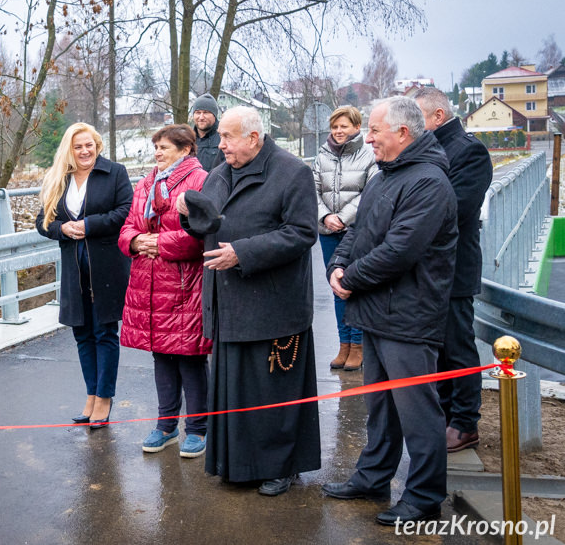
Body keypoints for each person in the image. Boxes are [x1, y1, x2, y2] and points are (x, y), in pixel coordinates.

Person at [322, 96, 458, 525]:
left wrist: (352, 278)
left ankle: (423, 497)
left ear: (403, 132)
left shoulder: (429, 182)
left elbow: (401, 250)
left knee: (418, 412)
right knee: (380, 405)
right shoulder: (385, 176)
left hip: (410, 316)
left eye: (376, 130)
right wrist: (337, 265)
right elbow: (359, 229)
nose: (369, 137)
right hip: (377, 312)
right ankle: (374, 477)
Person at [177, 105, 321, 496]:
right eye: (220, 136)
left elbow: (303, 233)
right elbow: (205, 224)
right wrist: (186, 215)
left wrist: (243, 252)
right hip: (228, 303)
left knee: (273, 393)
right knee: (236, 390)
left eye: (227, 137)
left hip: (273, 306)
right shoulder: (221, 172)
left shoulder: (293, 172)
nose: (219, 144)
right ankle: (236, 464)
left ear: (254, 138)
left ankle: (281, 467)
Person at [118, 124, 212, 457]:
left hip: (185, 284)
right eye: (156, 146)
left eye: (165, 147)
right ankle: (166, 425)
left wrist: (161, 243)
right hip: (149, 282)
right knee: (162, 356)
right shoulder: (145, 183)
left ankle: (198, 429)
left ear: (185, 150)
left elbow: (201, 236)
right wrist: (135, 241)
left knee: (190, 357)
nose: (157, 152)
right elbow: (127, 226)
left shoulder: (201, 181)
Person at [36, 122, 133, 429]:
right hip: (74, 266)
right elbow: (43, 222)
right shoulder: (58, 179)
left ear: (97, 145)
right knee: (82, 333)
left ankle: (104, 398)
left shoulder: (114, 173)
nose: (84, 151)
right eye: (78, 146)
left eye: (89, 145)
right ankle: (90, 395)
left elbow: (126, 212)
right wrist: (61, 229)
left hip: (105, 265)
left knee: (105, 332)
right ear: (69, 149)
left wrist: (90, 225)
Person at [415, 87, 493, 453]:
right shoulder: (429, 150)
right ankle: (445, 415)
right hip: (429, 266)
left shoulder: (469, 151)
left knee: (458, 346)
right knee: (438, 349)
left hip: (456, 266)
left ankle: (465, 423)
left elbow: (457, 207)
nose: (413, 127)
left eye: (419, 119)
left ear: (438, 117)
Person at [311, 105, 378, 371]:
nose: (339, 131)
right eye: (335, 127)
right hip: (327, 232)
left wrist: (343, 217)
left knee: (355, 287)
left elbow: (370, 191)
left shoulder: (368, 155)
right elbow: (312, 189)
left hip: (355, 232)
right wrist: (326, 216)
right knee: (337, 288)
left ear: (356, 127)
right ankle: (344, 345)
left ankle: (359, 344)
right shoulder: (322, 155)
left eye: (344, 126)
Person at [191, 93, 224, 172]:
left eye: (206, 112)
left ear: (214, 115)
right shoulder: (188, 139)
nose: (201, 117)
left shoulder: (224, 138)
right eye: (198, 112)